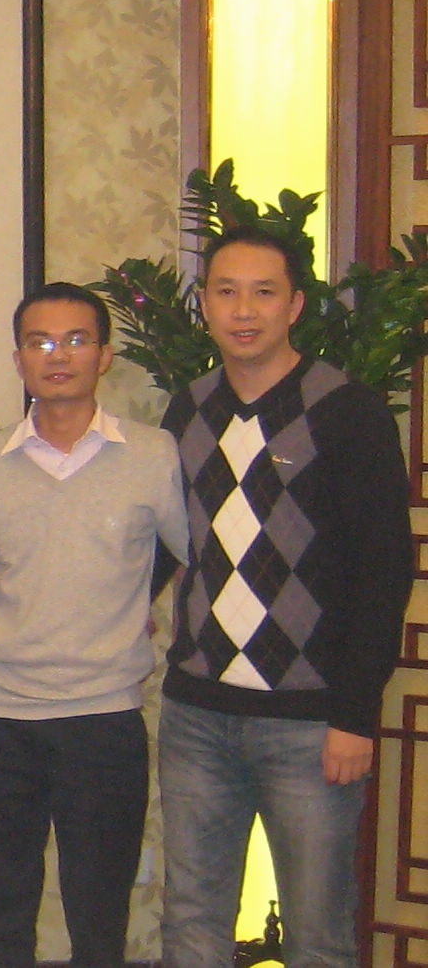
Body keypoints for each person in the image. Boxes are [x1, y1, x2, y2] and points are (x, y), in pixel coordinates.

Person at [158, 228, 410, 968]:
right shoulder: (187, 411)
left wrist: (354, 715)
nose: (244, 310)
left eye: (263, 292)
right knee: (191, 924)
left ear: (295, 305)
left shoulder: (348, 410)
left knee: (317, 936)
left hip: (311, 723)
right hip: (197, 715)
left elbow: (384, 570)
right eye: (226, 292)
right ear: (205, 306)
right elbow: (165, 547)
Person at [0, 282, 189, 968]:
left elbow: (195, 555)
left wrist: (141, 610)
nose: (57, 356)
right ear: (19, 359)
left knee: (99, 915)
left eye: (75, 340)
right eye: (40, 342)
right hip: (2, 716)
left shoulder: (154, 455)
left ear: (104, 356)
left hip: (103, 718)